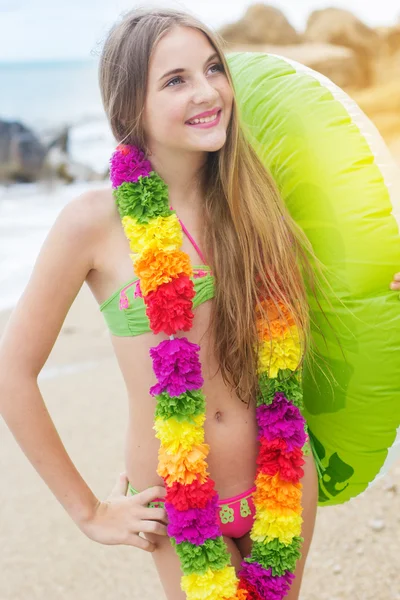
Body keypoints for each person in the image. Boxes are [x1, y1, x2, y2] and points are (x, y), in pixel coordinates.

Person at [0, 7, 399, 600]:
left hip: (282, 472)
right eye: (176, 79)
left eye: (213, 68)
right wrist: (88, 512)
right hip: (177, 498)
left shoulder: (259, 197)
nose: (208, 90)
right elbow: (13, 370)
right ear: (130, 106)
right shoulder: (93, 223)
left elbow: (335, 293)